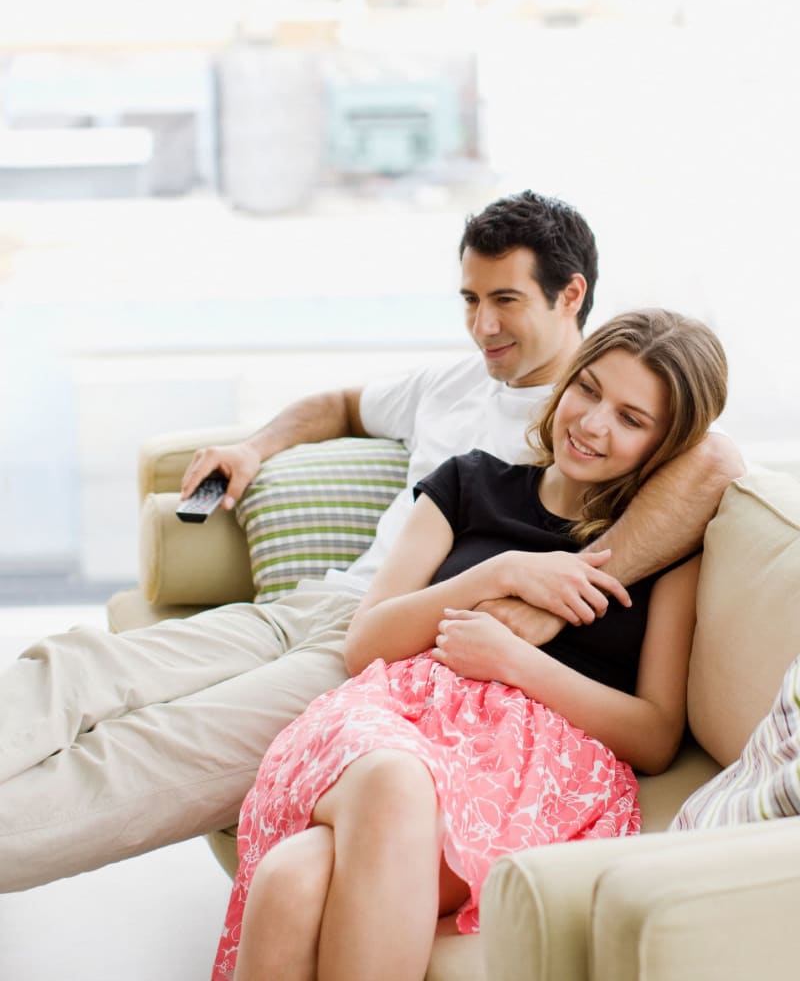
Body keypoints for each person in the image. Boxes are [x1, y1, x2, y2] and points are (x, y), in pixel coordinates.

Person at [0, 192, 742, 892]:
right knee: (78, 664)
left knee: (160, 749)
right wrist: (257, 446)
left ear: (570, 296)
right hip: (325, 601)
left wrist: (555, 592)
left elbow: (714, 461)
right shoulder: (455, 385)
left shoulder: (611, 412)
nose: (484, 325)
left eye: (506, 301)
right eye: (471, 300)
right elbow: (339, 404)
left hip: (403, 654)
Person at [211, 309, 727, 981]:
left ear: (667, 444)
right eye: (590, 389)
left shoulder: (663, 548)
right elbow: (366, 643)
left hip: (532, 770)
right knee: (392, 780)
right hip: (393, 720)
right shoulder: (468, 485)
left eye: (633, 419)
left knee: (292, 880)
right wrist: (500, 572)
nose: (595, 423)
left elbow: (656, 735)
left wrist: (513, 660)